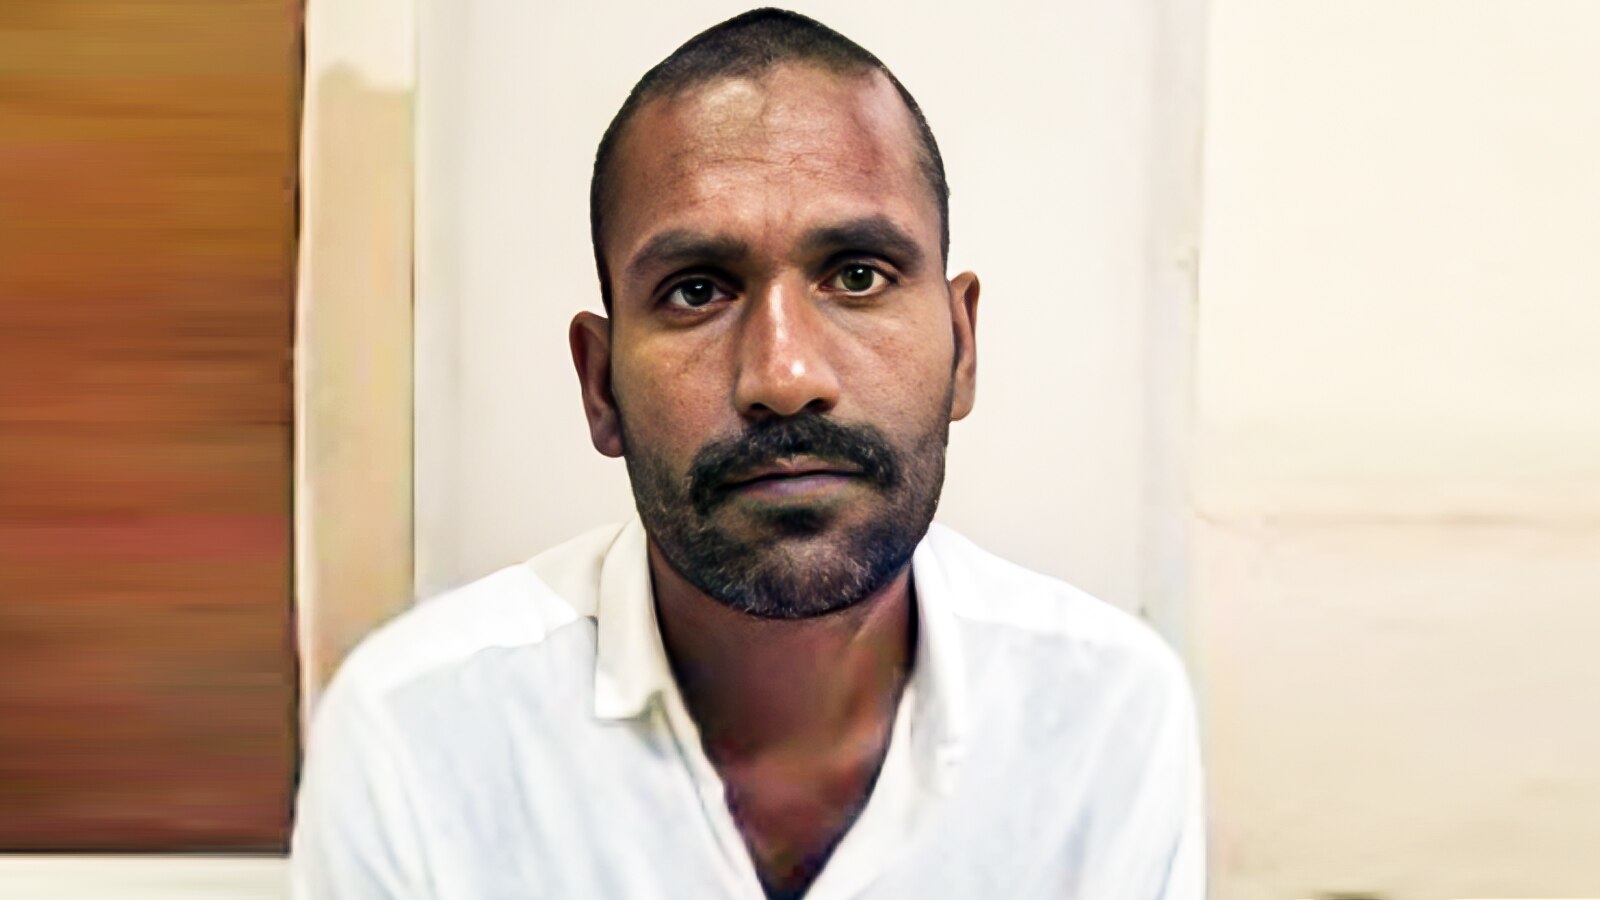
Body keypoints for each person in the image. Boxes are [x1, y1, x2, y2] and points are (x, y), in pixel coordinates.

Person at [290, 8, 1204, 899]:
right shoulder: (416, 737)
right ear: (600, 386)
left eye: (857, 276)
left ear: (962, 348)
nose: (785, 376)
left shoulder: (1105, 717)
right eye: (697, 291)